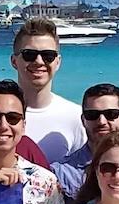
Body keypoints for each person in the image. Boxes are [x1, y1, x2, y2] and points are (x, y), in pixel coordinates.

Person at [9, 17, 87, 163]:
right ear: (14, 61)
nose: (39, 61)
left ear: (58, 62)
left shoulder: (77, 117)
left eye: (48, 56)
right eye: (29, 55)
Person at [51, 83, 119, 199]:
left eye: (111, 114)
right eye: (92, 114)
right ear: (83, 120)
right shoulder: (61, 173)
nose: (102, 121)